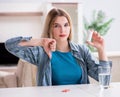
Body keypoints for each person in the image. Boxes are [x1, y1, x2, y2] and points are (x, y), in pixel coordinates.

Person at [5, 8, 111, 86]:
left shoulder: (82, 51)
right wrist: (41, 41)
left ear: (70, 27)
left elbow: (104, 80)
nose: (62, 30)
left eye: (66, 25)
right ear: (50, 28)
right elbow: (10, 45)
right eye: (56, 26)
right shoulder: (42, 52)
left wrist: (101, 49)